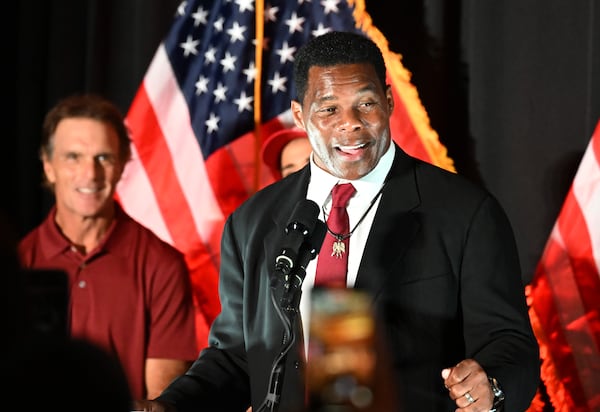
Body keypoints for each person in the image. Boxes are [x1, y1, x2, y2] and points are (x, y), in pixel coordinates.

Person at [133, 31, 539, 411]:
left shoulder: (465, 212)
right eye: (328, 109)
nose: (351, 123)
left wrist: (492, 385)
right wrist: (171, 406)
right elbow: (237, 356)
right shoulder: (252, 222)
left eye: (365, 103)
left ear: (388, 100)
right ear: (299, 115)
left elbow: (508, 342)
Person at [18, 93, 199, 401]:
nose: (90, 174)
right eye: (73, 157)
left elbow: (160, 402)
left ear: (121, 167)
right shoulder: (17, 263)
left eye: (104, 158)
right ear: (49, 167)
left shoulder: (161, 265)